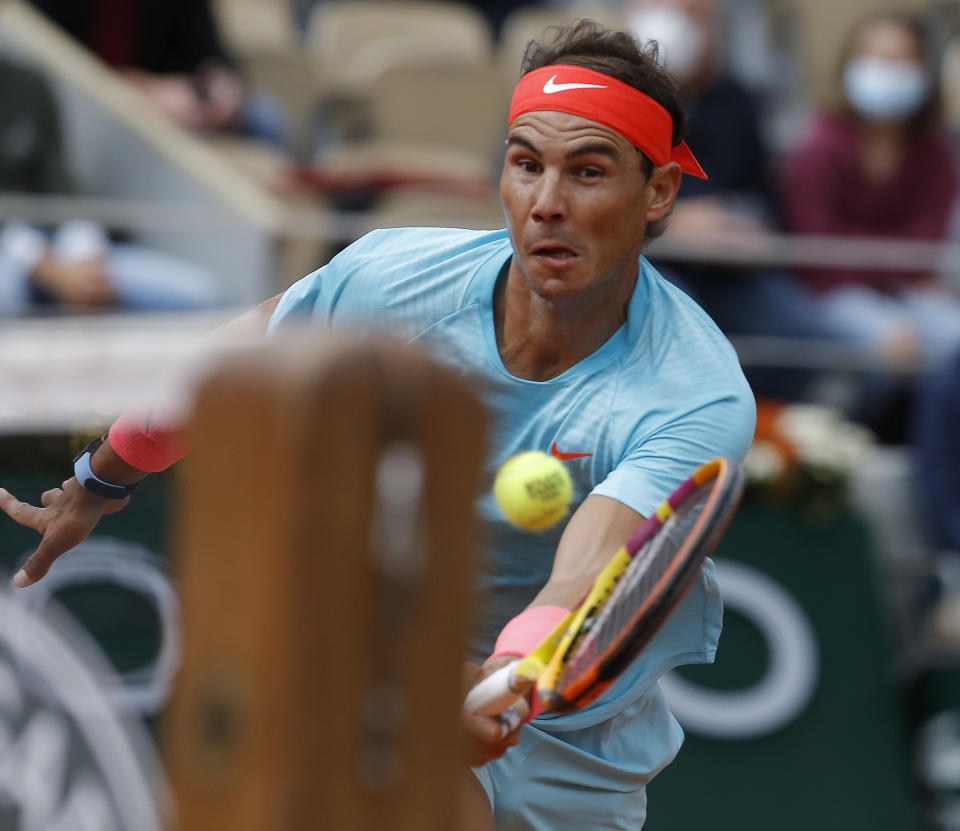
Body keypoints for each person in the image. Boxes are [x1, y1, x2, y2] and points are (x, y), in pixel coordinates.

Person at [0, 21, 755, 830]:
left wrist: (505, 677)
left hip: (574, 731)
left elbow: (589, 570)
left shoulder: (693, 392)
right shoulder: (396, 278)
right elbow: (236, 368)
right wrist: (100, 476)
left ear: (660, 192)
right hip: (383, 658)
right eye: (526, 164)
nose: (546, 204)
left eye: (590, 172)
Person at [626, 0, 835, 399]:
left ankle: (776, 444)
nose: (677, 27)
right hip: (646, 259)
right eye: (668, 11)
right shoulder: (609, 98)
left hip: (732, 270)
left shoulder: (736, 98)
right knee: (682, 331)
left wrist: (746, 224)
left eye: (693, 16)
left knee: (806, 337)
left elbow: (764, 198)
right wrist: (670, 220)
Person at [781, 10, 960, 370]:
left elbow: (927, 240)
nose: (884, 69)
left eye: (898, 60)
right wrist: (894, 263)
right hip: (830, 291)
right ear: (848, 66)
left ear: (924, 71)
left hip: (908, 291)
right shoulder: (818, 146)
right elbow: (818, 246)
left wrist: (877, 259)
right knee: (894, 343)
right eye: (873, 58)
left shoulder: (936, 152)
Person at [0, 53, 221, 314]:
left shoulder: (28, 83)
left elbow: (61, 184)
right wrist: (39, 263)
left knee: (203, 296)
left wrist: (84, 256)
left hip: (57, 249)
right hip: (18, 262)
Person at [26, 0, 285, 144]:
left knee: (266, 115)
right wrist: (147, 91)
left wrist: (221, 87)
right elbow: (50, 62)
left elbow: (210, 52)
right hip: (89, 106)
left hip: (177, 109)